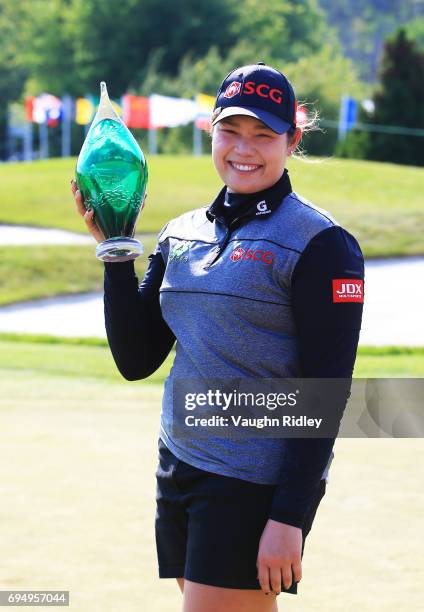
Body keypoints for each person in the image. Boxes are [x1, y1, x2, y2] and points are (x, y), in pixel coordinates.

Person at [71, 62, 364, 612]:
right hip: (180, 462)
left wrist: (289, 517)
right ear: (211, 130)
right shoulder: (181, 233)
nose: (244, 148)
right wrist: (115, 249)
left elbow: (328, 390)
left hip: (252, 484)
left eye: (263, 134)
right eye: (231, 130)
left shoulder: (322, 244)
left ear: (291, 140)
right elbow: (137, 359)